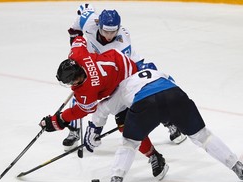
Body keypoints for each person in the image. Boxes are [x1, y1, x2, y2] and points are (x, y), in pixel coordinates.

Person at [85, 67, 243, 182]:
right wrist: (169, 117)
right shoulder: (152, 71)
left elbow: (103, 109)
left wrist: (95, 129)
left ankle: (116, 179)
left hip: (145, 103)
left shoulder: (121, 88)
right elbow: (171, 82)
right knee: (203, 136)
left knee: (130, 143)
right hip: (174, 95)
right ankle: (237, 167)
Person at [40, 36, 168, 180]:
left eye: (71, 82)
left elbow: (83, 110)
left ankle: (154, 154)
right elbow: (79, 40)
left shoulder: (88, 90)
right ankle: (167, 121)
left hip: (127, 82)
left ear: (77, 78)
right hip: (121, 61)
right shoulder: (77, 55)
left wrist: (60, 120)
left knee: (127, 127)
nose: (70, 85)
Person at [62, 4, 186, 151]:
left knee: (145, 92)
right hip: (93, 64)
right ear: (98, 25)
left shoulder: (122, 43)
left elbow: (123, 72)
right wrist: (78, 55)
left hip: (122, 67)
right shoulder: (89, 20)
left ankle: (169, 122)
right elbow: (75, 29)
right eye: (105, 31)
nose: (109, 36)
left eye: (113, 32)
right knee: (80, 94)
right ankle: (74, 131)